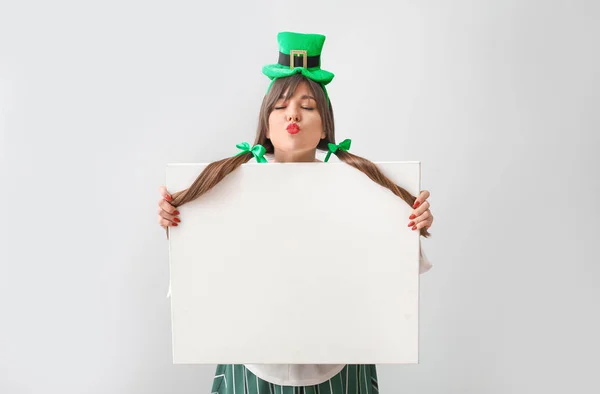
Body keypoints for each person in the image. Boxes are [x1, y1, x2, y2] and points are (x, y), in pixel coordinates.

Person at [157, 32, 434, 394]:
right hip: (250, 364)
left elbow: (388, 276)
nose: (293, 114)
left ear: (324, 125)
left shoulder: (362, 188)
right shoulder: (225, 188)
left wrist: (411, 225)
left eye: (308, 106)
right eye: (281, 105)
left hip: (340, 363)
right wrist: (178, 224)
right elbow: (204, 275)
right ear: (266, 123)